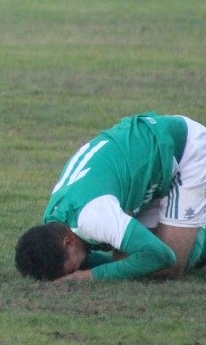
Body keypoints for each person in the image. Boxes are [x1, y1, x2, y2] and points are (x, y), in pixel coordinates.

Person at [15, 113, 206, 281]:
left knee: (167, 267)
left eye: (72, 270)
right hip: (147, 163)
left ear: (68, 242)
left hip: (184, 149)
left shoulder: (93, 216)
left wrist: (91, 276)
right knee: (129, 261)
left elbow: (160, 256)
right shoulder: (53, 223)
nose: (74, 273)